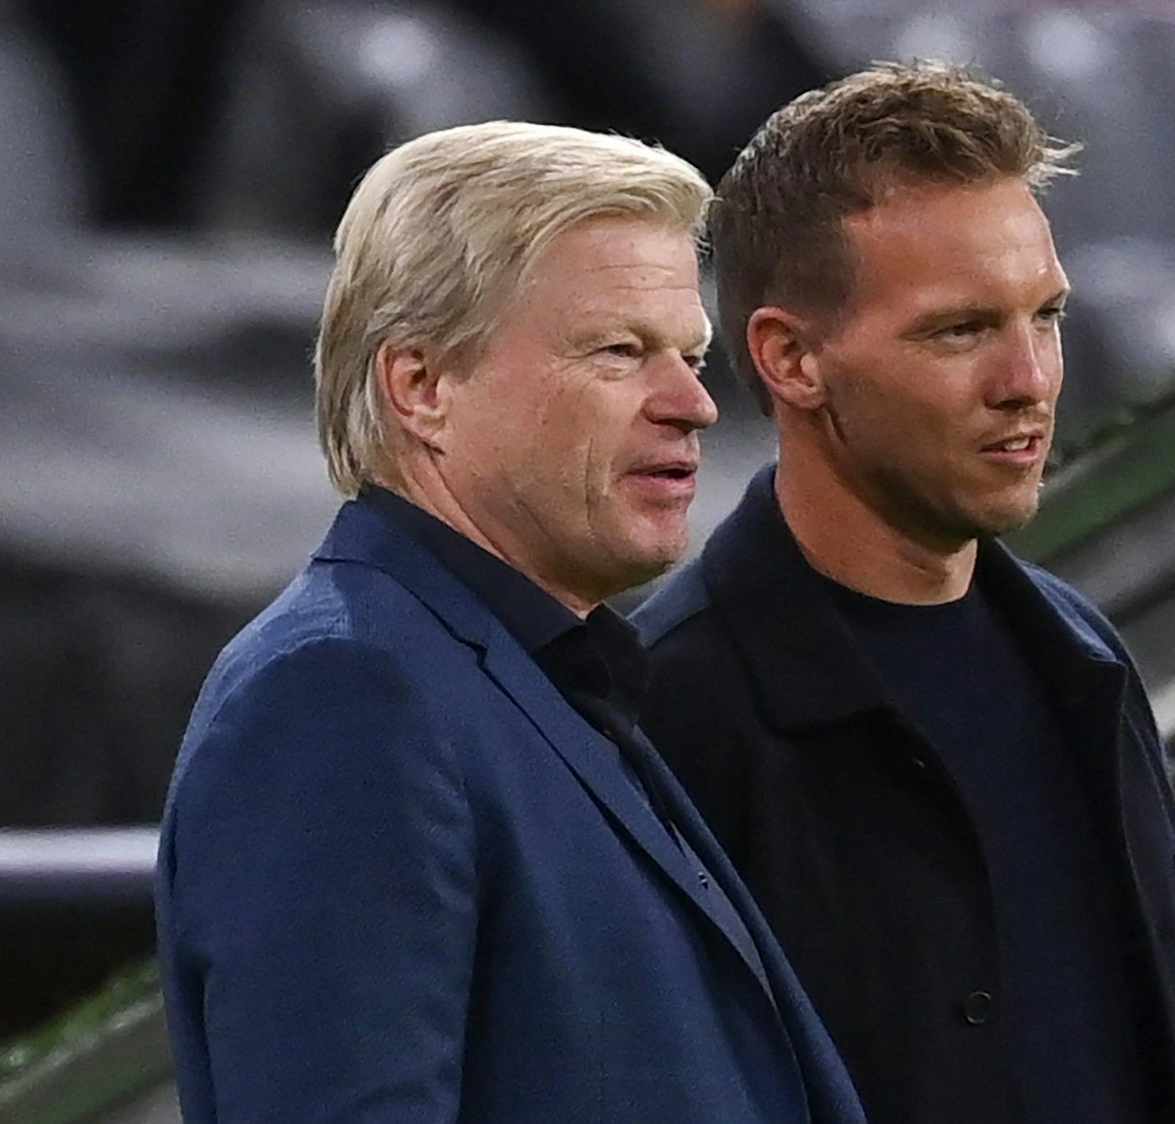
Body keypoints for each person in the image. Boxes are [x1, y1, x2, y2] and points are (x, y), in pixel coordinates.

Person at [155, 122, 864, 1124]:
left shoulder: (536, 683)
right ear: (423, 386)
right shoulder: (346, 693)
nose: (693, 404)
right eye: (620, 351)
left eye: (690, 354)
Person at [633, 65, 1175, 1124]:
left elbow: (1168, 1052)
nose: (1031, 378)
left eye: (1044, 316)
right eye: (960, 330)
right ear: (791, 358)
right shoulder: (666, 710)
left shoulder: (1075, 652)